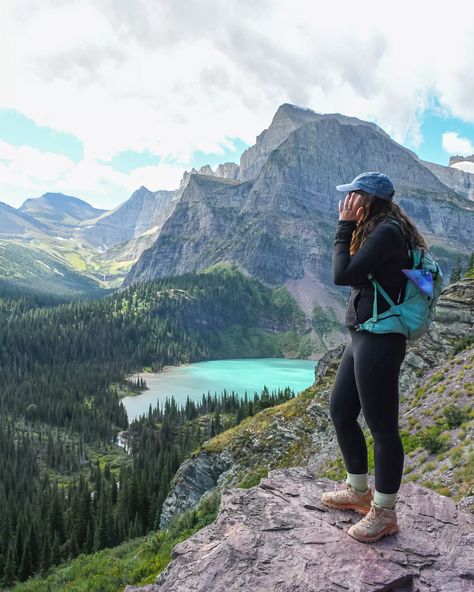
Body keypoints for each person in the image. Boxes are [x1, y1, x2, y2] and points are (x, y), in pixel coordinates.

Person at [320, 171, 428, 543]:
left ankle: (384, 513)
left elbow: (342, 274)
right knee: (340, 411)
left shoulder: (386, 231)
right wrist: (351, 227)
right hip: (363, 336)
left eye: (351, 196)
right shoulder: (380, 227)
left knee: (382, 428)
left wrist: (343, 227)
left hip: (380, 341)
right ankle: (358, 491)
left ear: (365, 200)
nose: (346, 202)